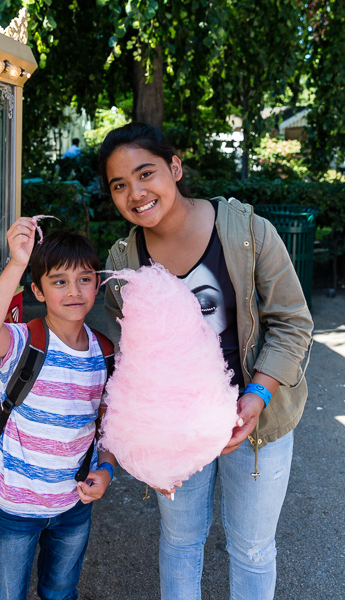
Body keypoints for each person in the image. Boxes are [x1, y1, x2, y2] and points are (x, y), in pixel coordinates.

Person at [98, 122, 313, 600]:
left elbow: (293, 322)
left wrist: (257, 394)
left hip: (256, 423)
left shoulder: (247, 232)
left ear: (174, 168)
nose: (135, 193)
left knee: (252, 548)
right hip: (175, 431)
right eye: (119, 185)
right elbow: (129, 358)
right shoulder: (124, 263)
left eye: (146, 173)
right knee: (180, 542)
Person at [0, 218, 115, 600]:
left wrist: (106, 470)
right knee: (6, 595)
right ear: (38, 290)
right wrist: (18, 261)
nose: (74, 291)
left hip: (73, 506)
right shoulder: (24, 342)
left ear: (97, 285)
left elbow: (108, 428)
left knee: (61, 592)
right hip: (15, 508)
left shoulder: (105, 354)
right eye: (59, 282)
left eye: (84, 279)